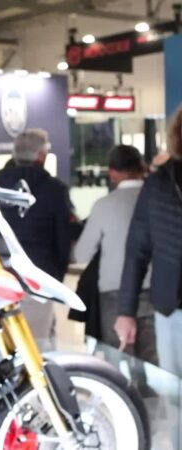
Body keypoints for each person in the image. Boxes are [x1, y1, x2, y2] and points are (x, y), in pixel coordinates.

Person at [73, 145, 156, 363]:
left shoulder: (104, 205)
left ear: (112, 173)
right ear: (143, 168)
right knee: (156, 364)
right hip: (156, 291)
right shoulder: (158, 201)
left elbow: (81, 254)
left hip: (114, 293)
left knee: (118, 362)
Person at [116, 107, 182, 376]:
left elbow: (137, 251)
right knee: (175, 390)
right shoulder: (158, 184)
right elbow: (137, 251)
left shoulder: (157, 183)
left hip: (170, 308)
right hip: (171, 309)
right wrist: (126, 311)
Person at [0, 129, 71, 345]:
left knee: (2, 343)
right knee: (38, 344)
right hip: (40, 277)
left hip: (0, 276)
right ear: (41, 155)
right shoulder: (54, 189)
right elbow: (62, 239)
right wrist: (57, 278)